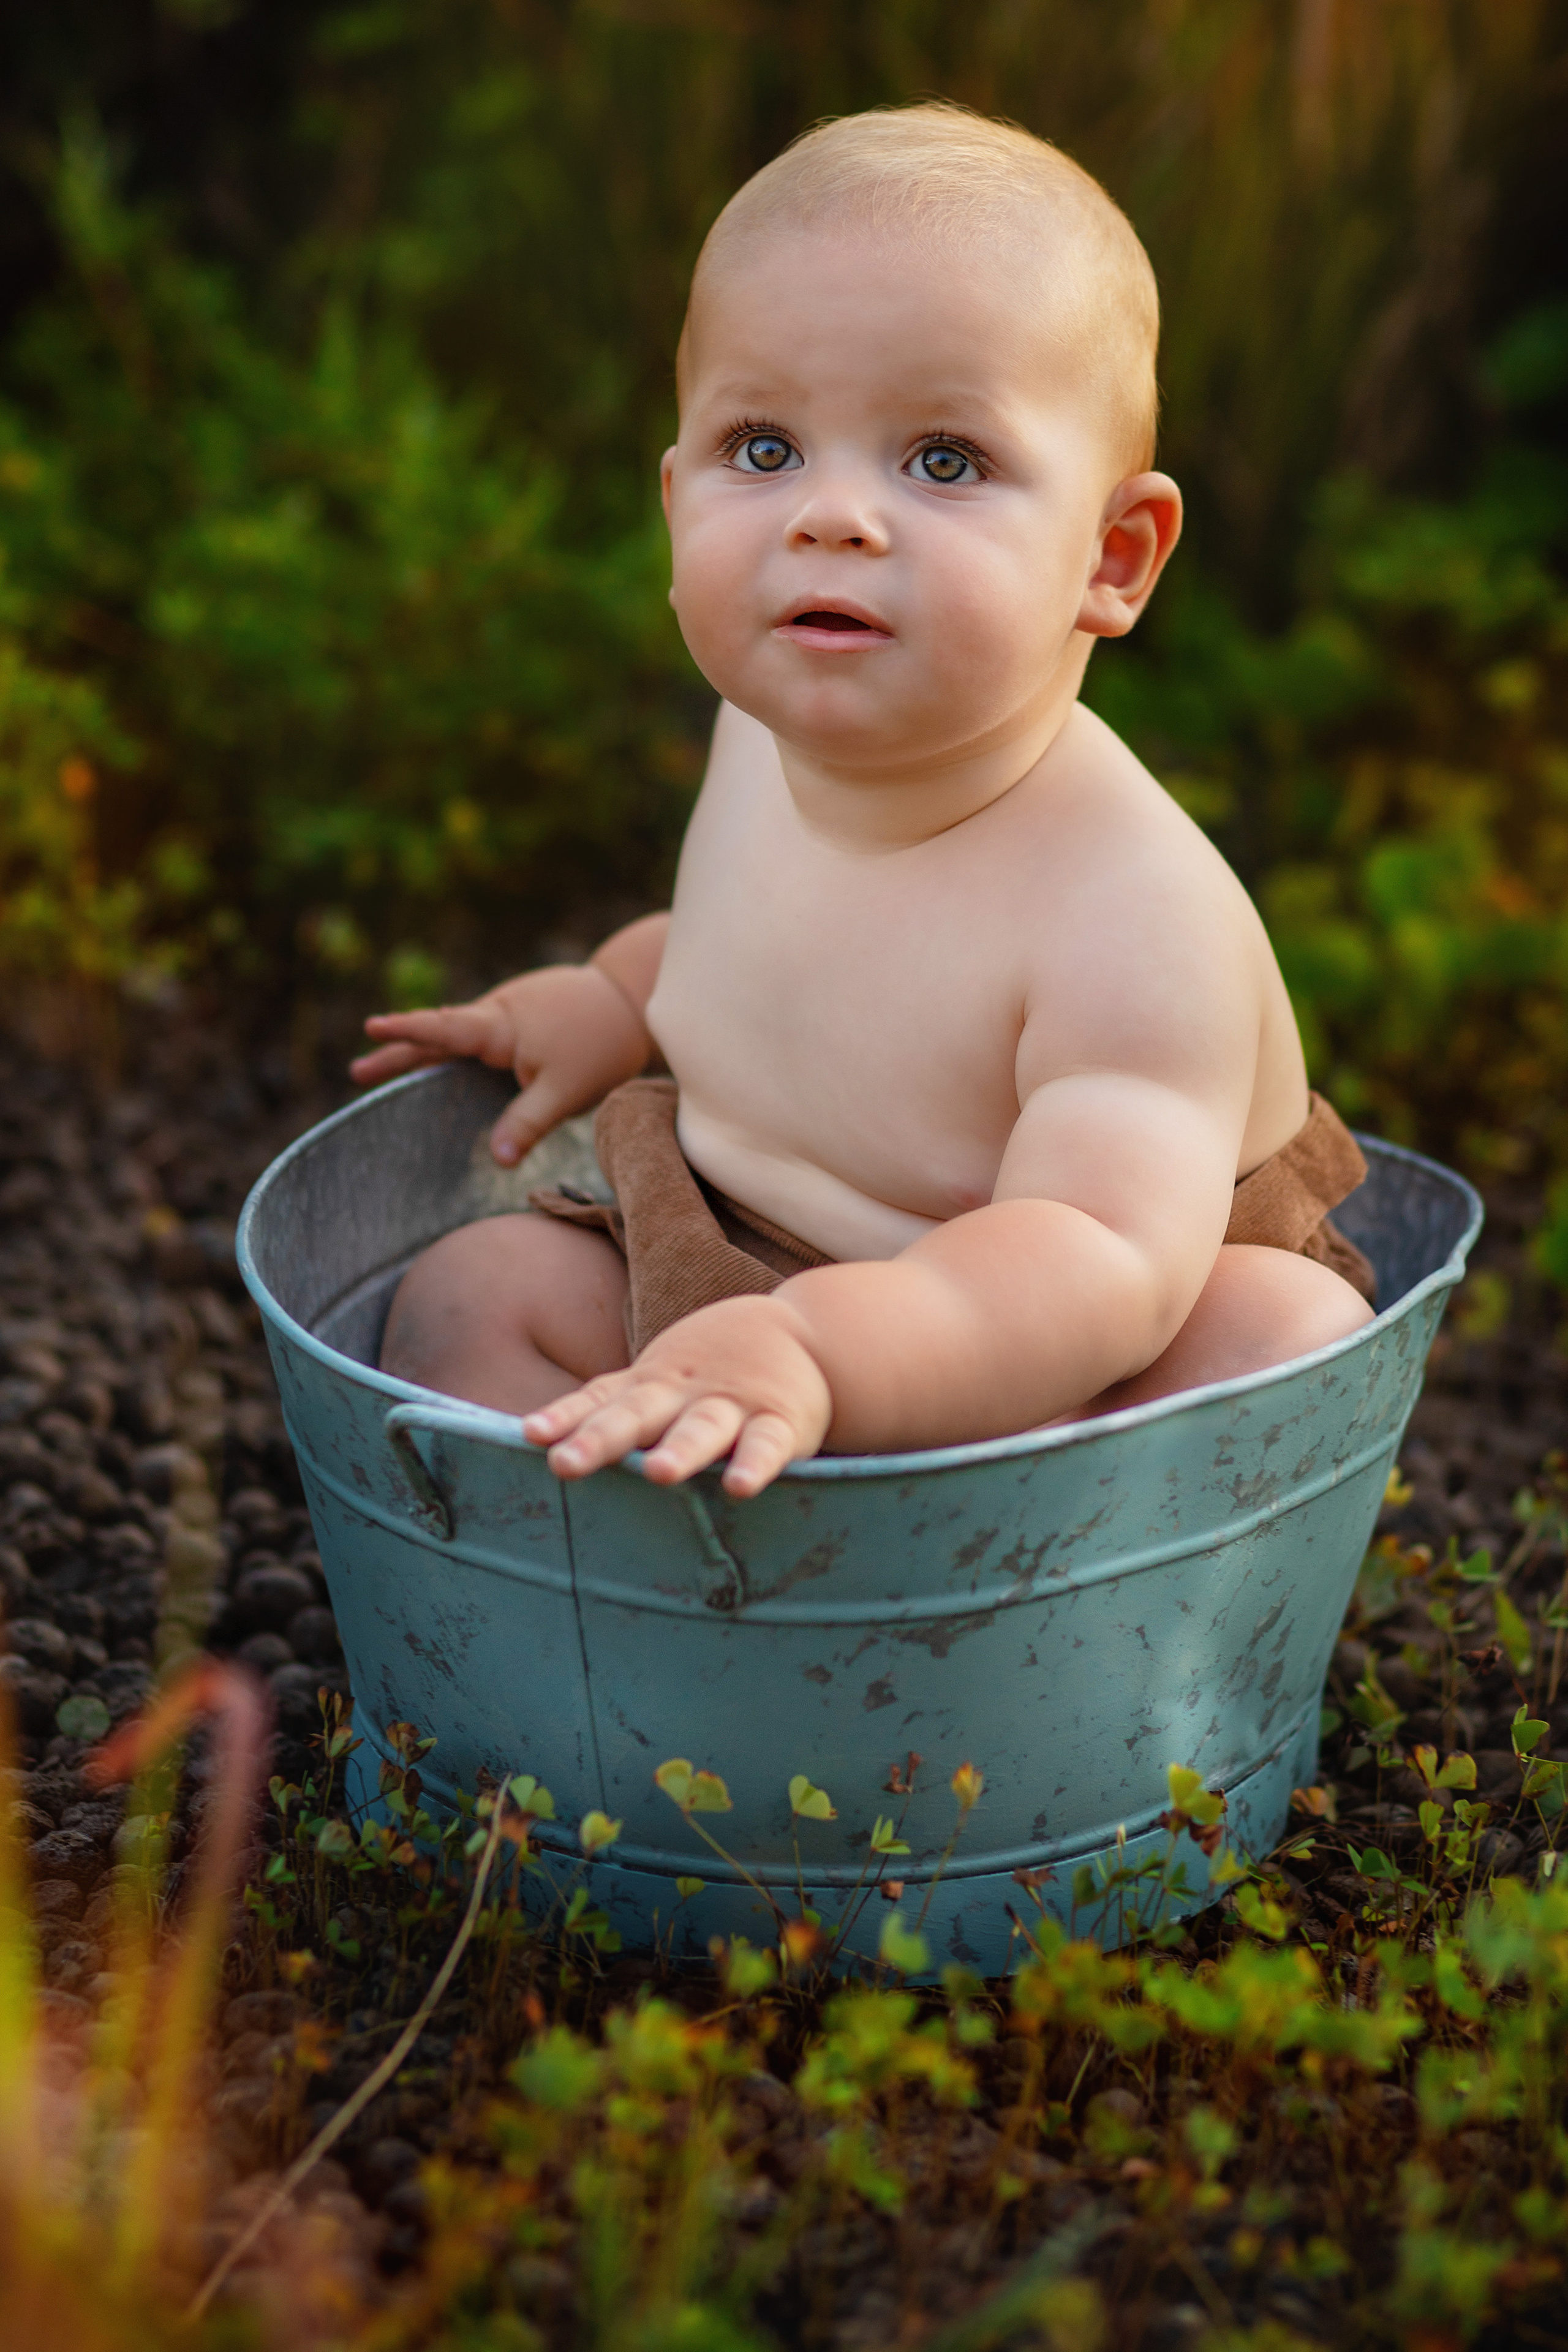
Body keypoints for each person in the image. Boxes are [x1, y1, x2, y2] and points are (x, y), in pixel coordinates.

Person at [350, 102, 1374, 1502]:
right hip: (733, 1245)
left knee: (1279, 1337)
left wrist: (820, 1351)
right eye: (761, 449)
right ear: (672, 511)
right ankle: (618, 1604)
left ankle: (986, 1636)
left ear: (1111, 555)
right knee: (474, 1290)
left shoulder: (1133, 914)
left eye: (941, 459)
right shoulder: (755, 732)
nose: (828, 515)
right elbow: (770, 950)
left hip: (1059, 1340)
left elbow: (1098, 1252)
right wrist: (612, 998)